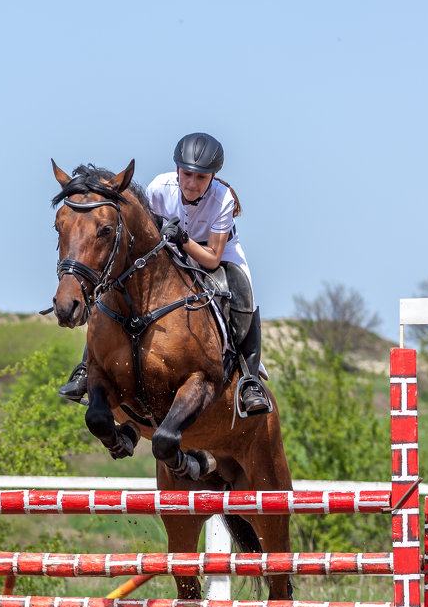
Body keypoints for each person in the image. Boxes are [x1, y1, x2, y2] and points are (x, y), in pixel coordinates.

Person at [57, 132, 270, 415]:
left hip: (215, 251)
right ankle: (87, 367)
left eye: (201, 178)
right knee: (114, 283)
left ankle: (249, 378)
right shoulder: (160, 187)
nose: (192, 184)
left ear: (214, 176)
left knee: (243, 288)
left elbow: (211, 258)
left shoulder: (223, 199)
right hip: (169, 246)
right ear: (177, 169)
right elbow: (146, 235)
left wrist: (183, 239)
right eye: (187, 174)